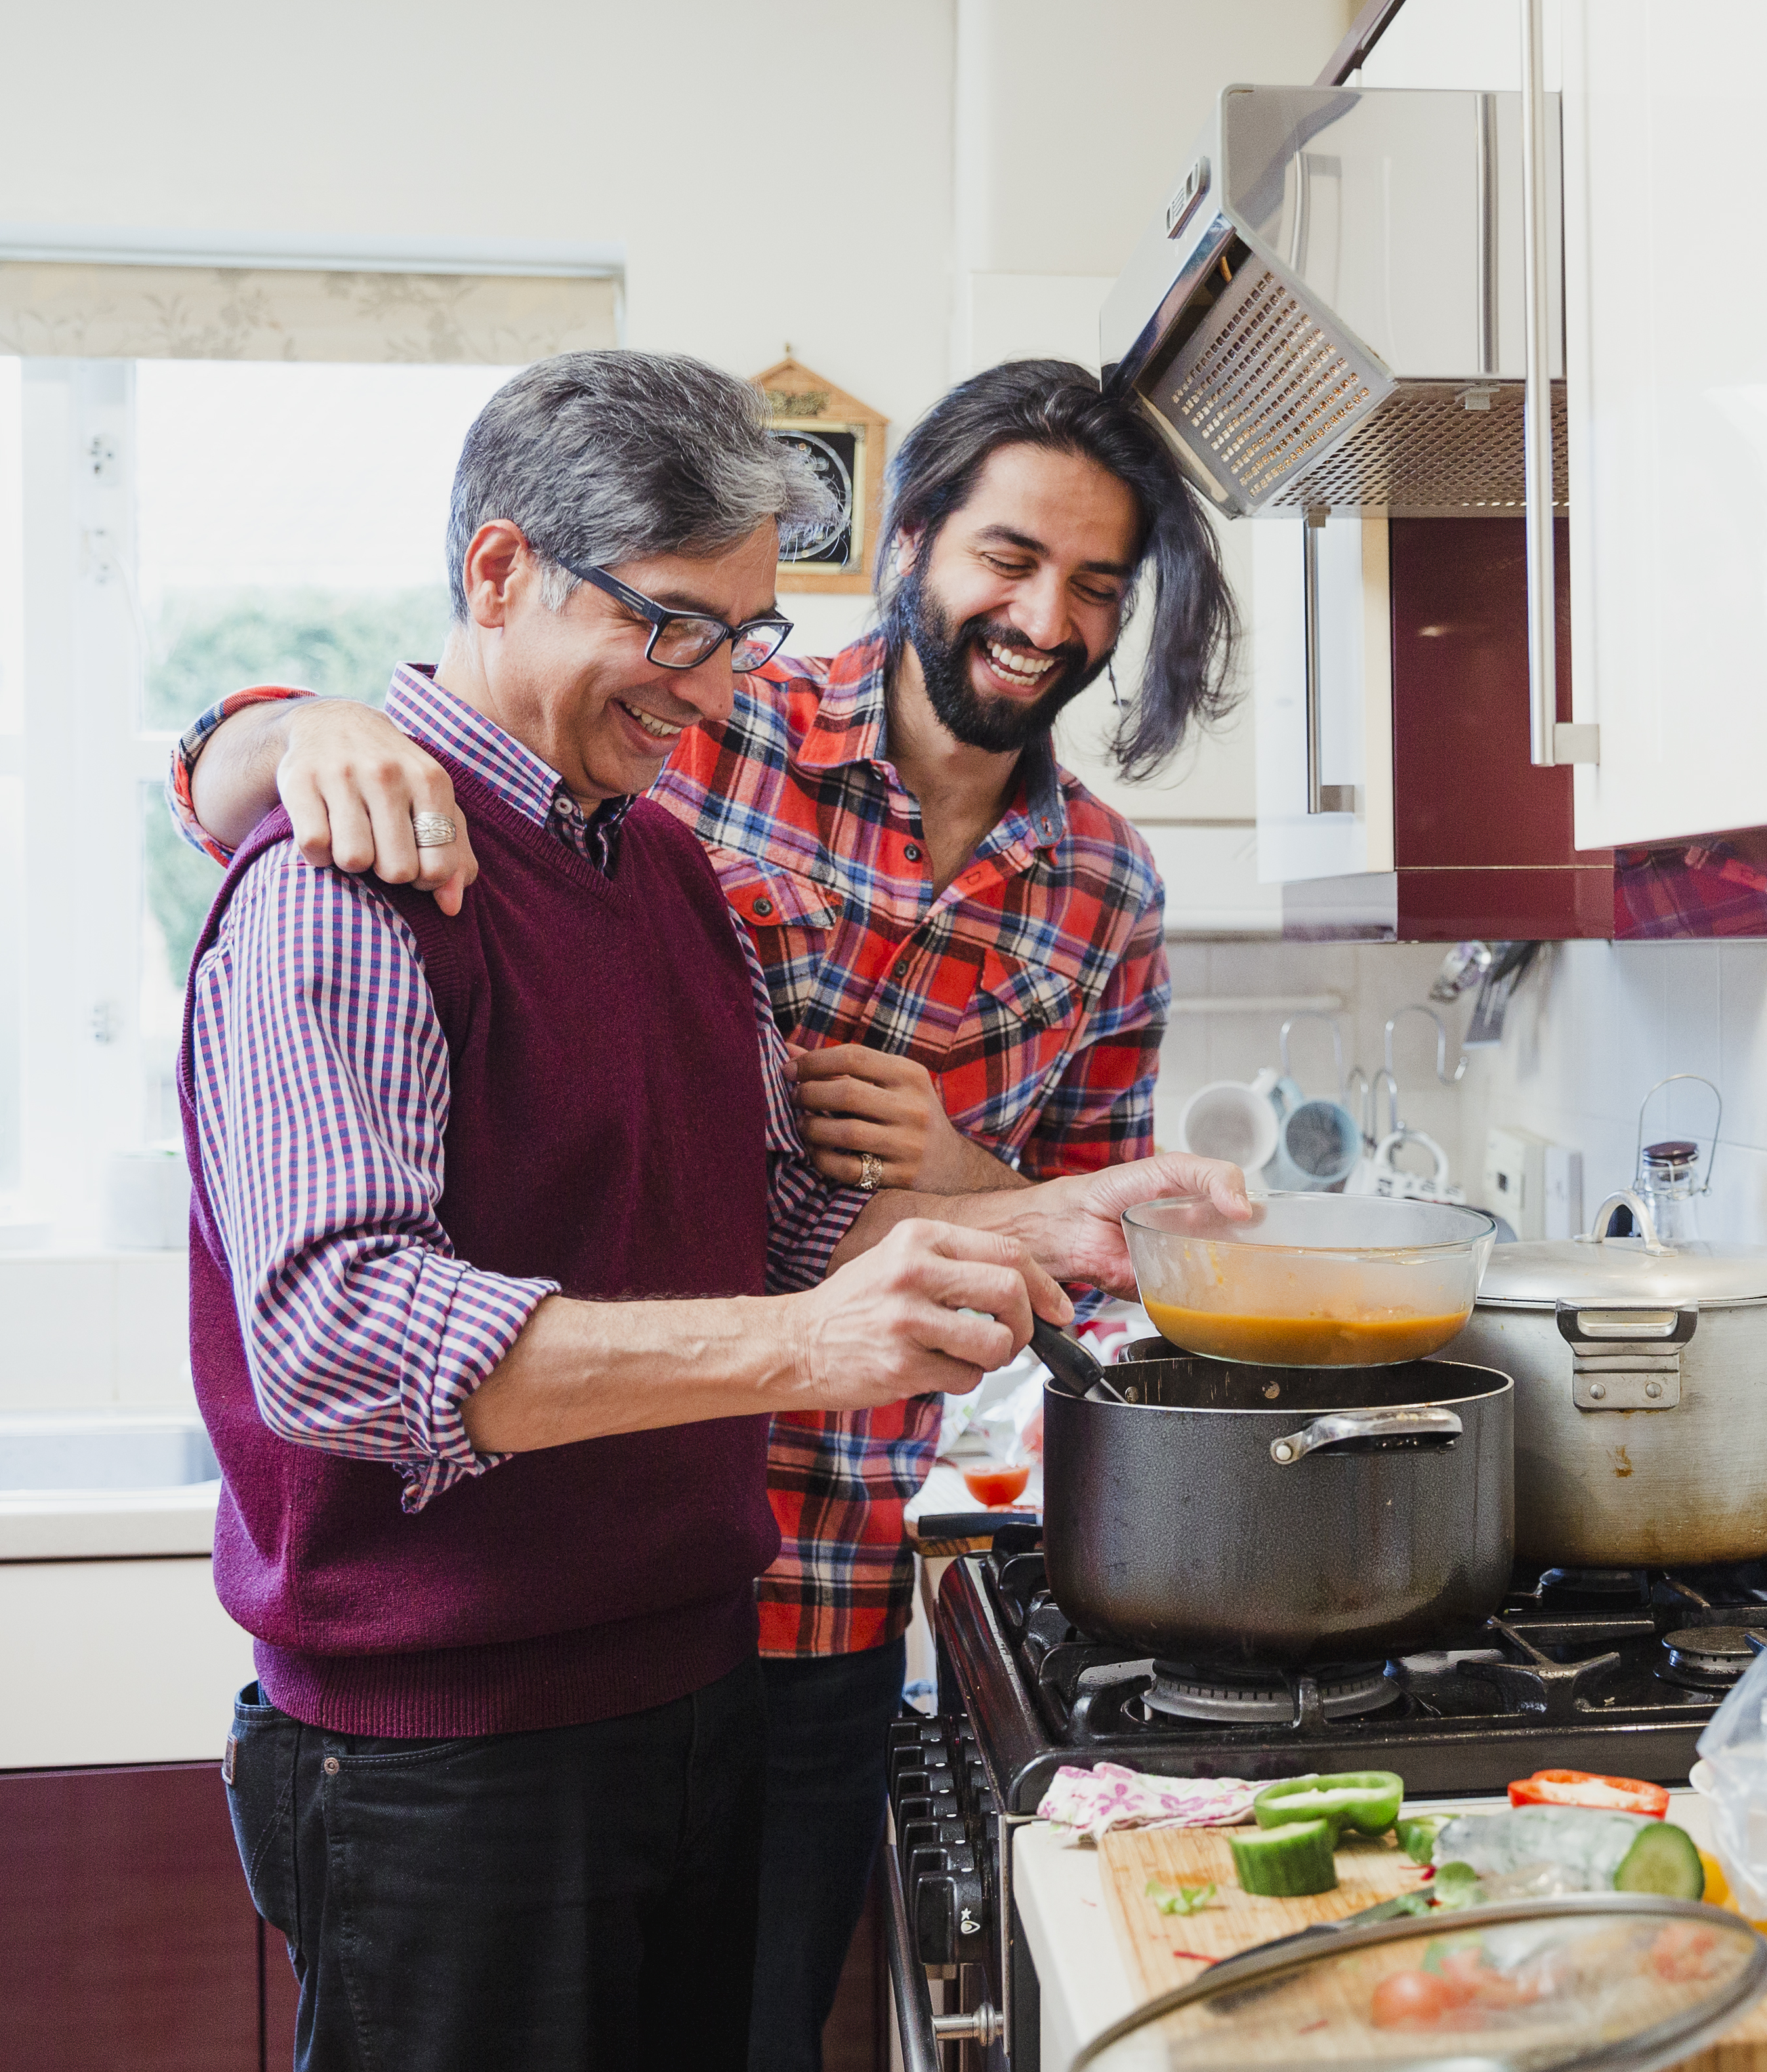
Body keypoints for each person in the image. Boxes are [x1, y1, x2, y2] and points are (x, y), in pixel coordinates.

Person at [169, 357, 1234, 2064]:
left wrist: (1050, 1213)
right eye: (676, 624)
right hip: (461, 1741)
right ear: (501, 571)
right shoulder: (346, 871)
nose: (711, 684)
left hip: (698, 1679)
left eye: (740, 634)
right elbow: (342, 1341)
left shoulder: (655, 857)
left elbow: (779, 1207)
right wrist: (274, 727)